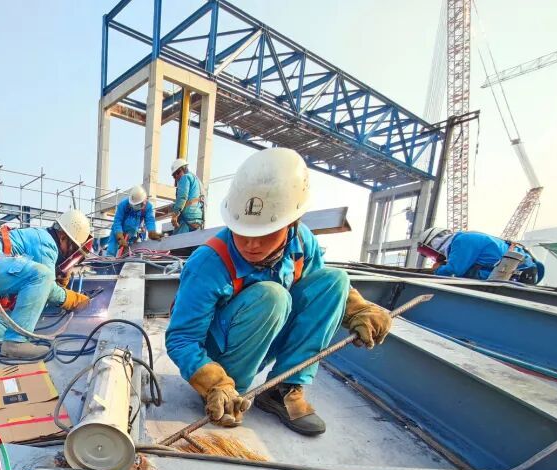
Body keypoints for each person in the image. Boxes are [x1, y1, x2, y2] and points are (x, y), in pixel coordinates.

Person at [165, 147, 393, 436]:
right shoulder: (208, 263)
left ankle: (283, 388)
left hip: (266, 337)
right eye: (243, 231)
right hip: (220, 366)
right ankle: (227, 393)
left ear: (291, 223)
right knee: (273, 296)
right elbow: (182, 338)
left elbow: (321, 293)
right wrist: (214, 384)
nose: (251, 244)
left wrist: (358, 311)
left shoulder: (302, 243)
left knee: (335, 280)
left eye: (265, 233)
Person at [0, 209, 93, 361]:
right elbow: (47, 285)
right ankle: (16, 343)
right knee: (43, 275)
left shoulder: (38, 237)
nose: (70, 256)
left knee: (11, 325)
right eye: (73, 249)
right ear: (63, 237)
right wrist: (74, 300)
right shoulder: (47, 242)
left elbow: (37, 287)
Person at [417, 227, 545, 285]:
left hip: (518, 274)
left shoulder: (461, 241)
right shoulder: (465, 238)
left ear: (434, 242)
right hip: (523, 272)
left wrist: (437, 270)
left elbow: (455, 270)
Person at [109, 185, 164, 255]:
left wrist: (151, 231)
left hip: (132, 234)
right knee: (111, 251)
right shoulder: (123, 204)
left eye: (139, 205)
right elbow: (117, 221)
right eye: (135, 205)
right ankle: (109, 260)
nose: (136, 207)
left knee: (127, 254)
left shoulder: (148, 207)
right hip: (118, 231)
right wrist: (120, 237)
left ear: (144, 201)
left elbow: (149, 220)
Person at [169, 158, 204, 234]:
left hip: (187, 218)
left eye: (178, 172)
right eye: (174, 176)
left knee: (177, 240)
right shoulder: (196, 180)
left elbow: (182, 197)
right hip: (197, 219)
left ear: (184, 169)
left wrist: (175, 215)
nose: (176, 176)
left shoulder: (185, 177)